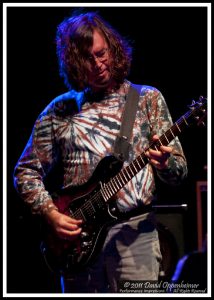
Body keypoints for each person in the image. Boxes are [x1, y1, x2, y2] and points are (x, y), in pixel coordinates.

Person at [13, 11, 188, 293]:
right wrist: (50, 214)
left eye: (101, 53)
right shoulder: (59, 110)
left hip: (136, 236)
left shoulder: (147, 99)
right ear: (72, 63)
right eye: (87, 59)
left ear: (113, 47)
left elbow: (178, 172)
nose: (97, 64)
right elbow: (25, 171)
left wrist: (165, 163)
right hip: (78, 246)